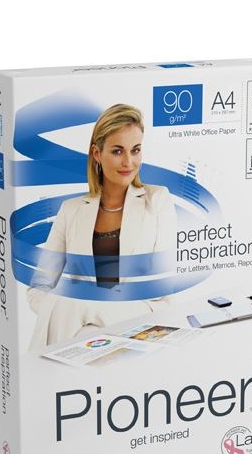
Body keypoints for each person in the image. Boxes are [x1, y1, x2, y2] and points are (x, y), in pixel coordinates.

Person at [27, 104, 176, 348]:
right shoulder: (71, 210)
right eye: (117, 151)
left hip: (140, 311)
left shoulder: (157, 200)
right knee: (75, 313)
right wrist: (59, 311)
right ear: (97, 153)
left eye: (135, 150)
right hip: (81, 322)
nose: (129, 162)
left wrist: (78, 307)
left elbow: (162, 283)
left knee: (72, 303)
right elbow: (39, 287)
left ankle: (39, 368)